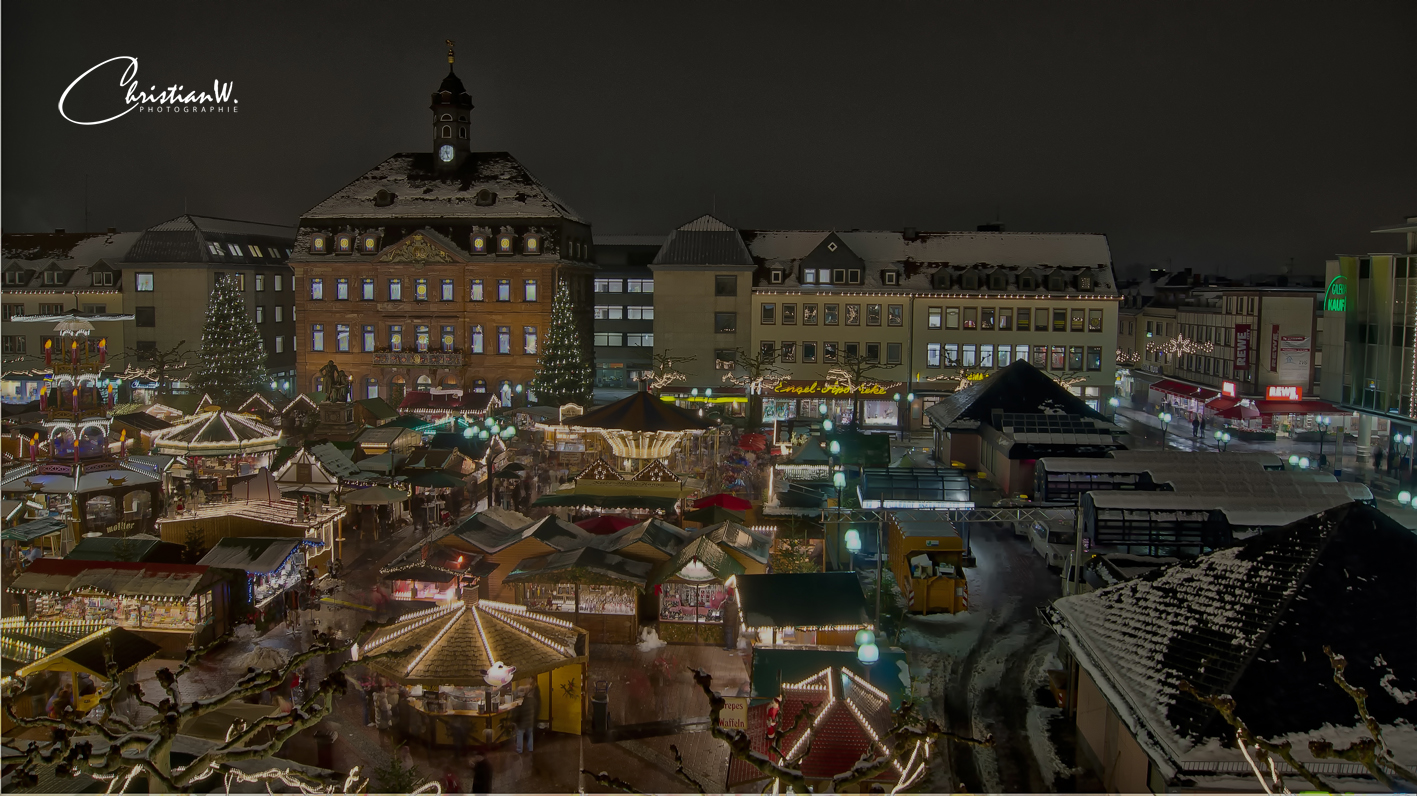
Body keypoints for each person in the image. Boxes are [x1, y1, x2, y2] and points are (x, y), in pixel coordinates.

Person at [511, 686, 537, 754]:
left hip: (522, 721)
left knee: (520, 734)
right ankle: (530, 748)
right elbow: (536, 708)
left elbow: (518, 712)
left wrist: (515, 719)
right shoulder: (532, 700)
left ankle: (519, 750)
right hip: (530, 720)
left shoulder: (520, 701)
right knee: (530, 734)